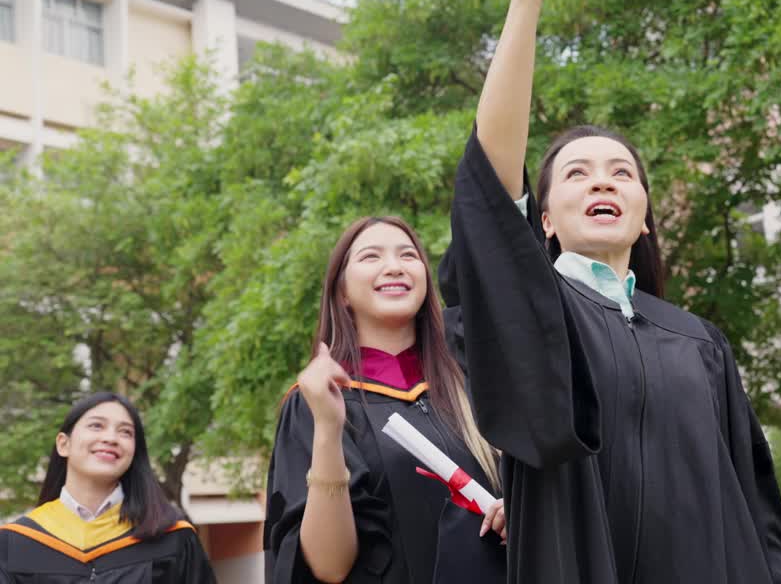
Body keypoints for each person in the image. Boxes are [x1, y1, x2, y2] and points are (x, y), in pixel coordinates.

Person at [438, 0, 781, 584]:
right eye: (575, 174)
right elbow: (487, 184)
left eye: (620, 173)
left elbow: (759, 519)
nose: (602, 182)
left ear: (643, 211)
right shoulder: (537, 323)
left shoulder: (699, 344)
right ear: (539, 220)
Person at [264, 216, 507, 583]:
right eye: (371, 257)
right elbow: (330, 567)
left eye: (408, 255)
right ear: (342, 291)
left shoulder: (474, 390)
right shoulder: (316, 403)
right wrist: (328, 430)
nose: (394, 267)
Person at [0, 392, 214, 583]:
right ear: (63, 444)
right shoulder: (15, 543)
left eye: (126, 432)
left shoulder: (172, 538)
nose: (111, 438)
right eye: (96, 426)